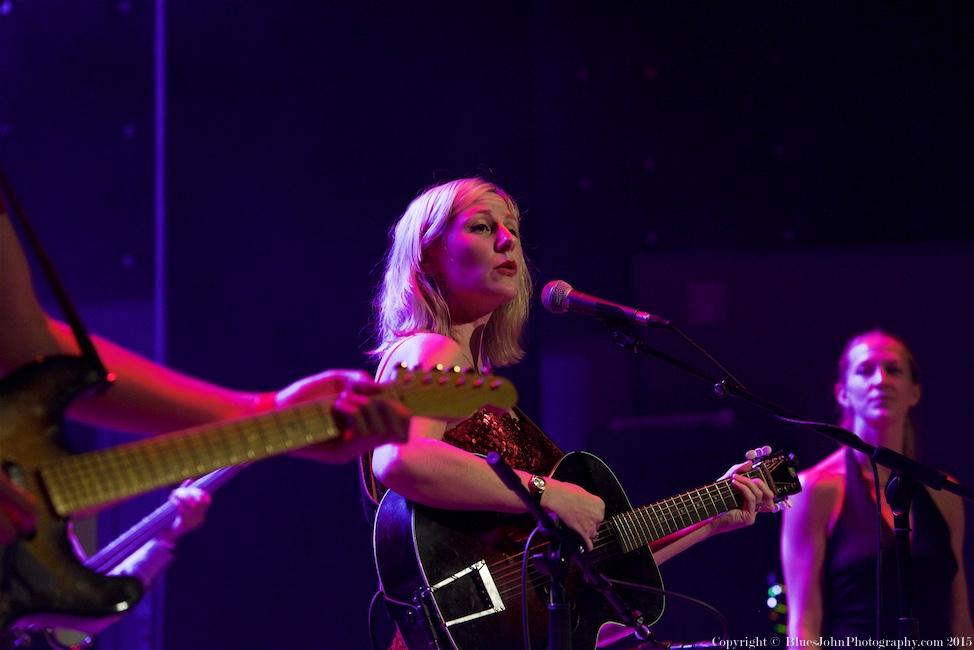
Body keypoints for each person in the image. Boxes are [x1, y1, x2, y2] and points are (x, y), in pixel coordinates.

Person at [366, 178, 776, 649]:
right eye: (482, 227)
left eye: (512, 229)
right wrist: (548, 492)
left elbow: (587, 586)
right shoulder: (431, 350)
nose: (507, 240)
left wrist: (712, 518)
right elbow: (401, 458)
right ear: (427, 257)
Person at [780, 330, 974, 644]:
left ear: (914, 392)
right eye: (865, 370)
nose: (881, 380)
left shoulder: (945, 492)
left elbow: (960, 618)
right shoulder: (813, 489)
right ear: (843, 393)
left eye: (894, 369)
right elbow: (804, 624)